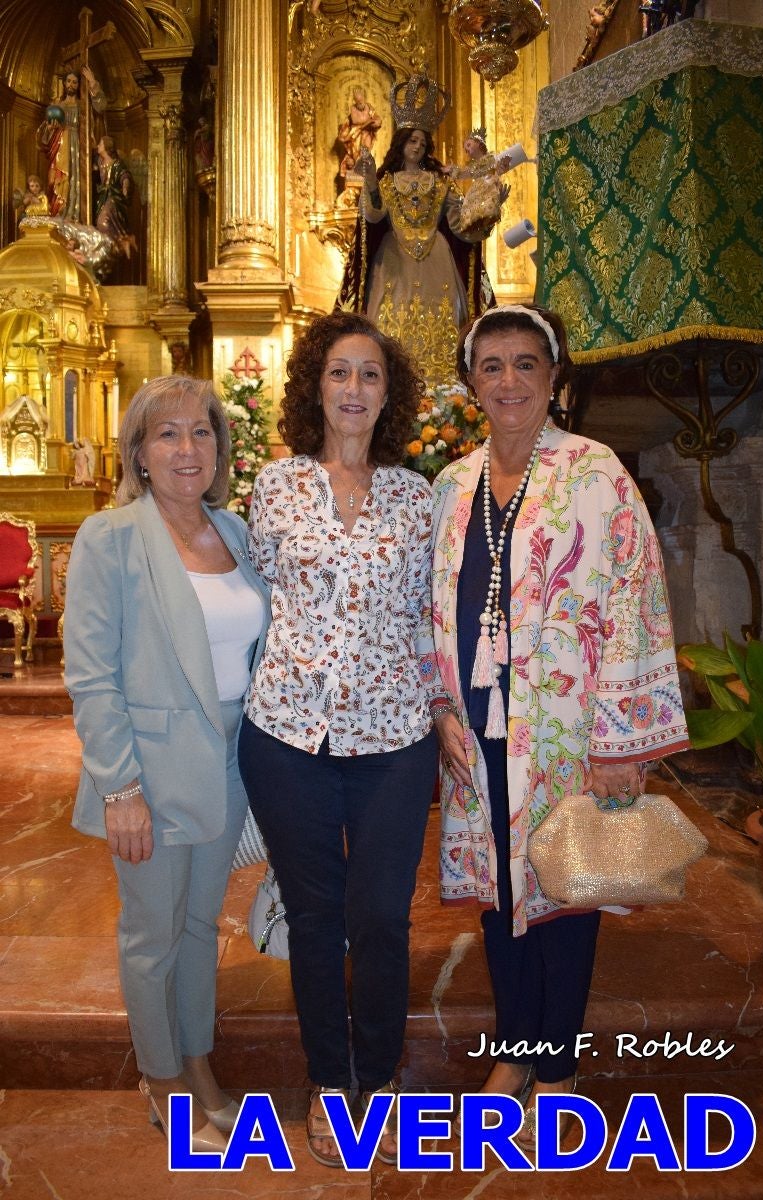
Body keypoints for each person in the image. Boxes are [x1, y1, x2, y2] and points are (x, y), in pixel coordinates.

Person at [427, 304, 690, 1148]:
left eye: (526, 365)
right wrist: (438, 706)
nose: (509, 381)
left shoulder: (597, 473)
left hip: (569, 726)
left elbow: (637, 602)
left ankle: (554, 1063)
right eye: (492, 366)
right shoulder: (452, 483)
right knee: (499, 890)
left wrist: (621, 741)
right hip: (477, 722)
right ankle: (514, 1045)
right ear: (473, 381)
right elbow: (424, 607)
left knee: (563, 886)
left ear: (554, 378)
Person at [238, 310, 445, 1168]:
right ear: (313, 386)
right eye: (338, 373)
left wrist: (447, 715)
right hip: (288, 736)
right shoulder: (275, 485)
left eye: (369, 375)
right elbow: (255, 603)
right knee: (317, 918)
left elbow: (431, 617)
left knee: (383, 919)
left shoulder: (416, 494)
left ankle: (383, 1077)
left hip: (395, 738)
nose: (353, 390)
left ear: (387, 393)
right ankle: (331, 1082)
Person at [63, 375, 270, 1153]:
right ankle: (161, 1075)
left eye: (202, 432)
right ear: (140, 454)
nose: (189, 449)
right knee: (152, 932)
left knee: (197, 924)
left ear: (220, 447)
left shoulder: (238, 533)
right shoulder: (111, 537)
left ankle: (198, 1060)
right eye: (167, 434)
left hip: (229, 761)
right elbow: (90, 673)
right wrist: (121, 787)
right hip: (147, 766)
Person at [337, 74, 494, 384]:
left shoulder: (439, 183)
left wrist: (484, 214)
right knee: (389, 321)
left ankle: (446, 392)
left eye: (423, 142)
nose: (418, 146)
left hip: (437, 259)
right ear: (402, 142)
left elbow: (459, 223)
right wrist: (368, 180)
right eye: (413, 140)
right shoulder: (385, 181)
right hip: (394, 262)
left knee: (446, 321)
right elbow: (373, 215)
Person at [38, 66, 107, 220]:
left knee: (78, 180)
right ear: (64, 83)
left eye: (75, 82)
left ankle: (76, 216)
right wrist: (49, 129)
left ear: (78, 85)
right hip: (60, 147)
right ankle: (59, 213)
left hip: (80, 147)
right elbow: (44, 139)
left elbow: (101, 107)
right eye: (68, 81)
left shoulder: (83, 105)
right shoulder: (57, 106)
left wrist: (92, 82)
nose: (71, 85)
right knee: (58, 181)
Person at [94, 135, 135, 256]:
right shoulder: (100, 162)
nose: (98, 146)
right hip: (102, 198)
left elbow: (125, 175)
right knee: (99, 223)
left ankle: (118, 243)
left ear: (106, 147)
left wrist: (125, 186)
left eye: (100, 144)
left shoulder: (116, 164)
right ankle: (115, 244)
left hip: (113, 196)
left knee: (103, 222)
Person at [336, 86, 382, 182]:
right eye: (358, 101)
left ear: (364, 98)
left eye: (361, 101)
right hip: (355, 135)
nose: (360, 103)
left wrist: (376, 122)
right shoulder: (353, 110)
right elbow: (352, 122)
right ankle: (356, 169)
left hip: (367, 134)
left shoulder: (369, 107)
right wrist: (367, 122)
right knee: (355, 152)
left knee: (365, 151)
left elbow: (377, 118)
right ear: (355, 101)